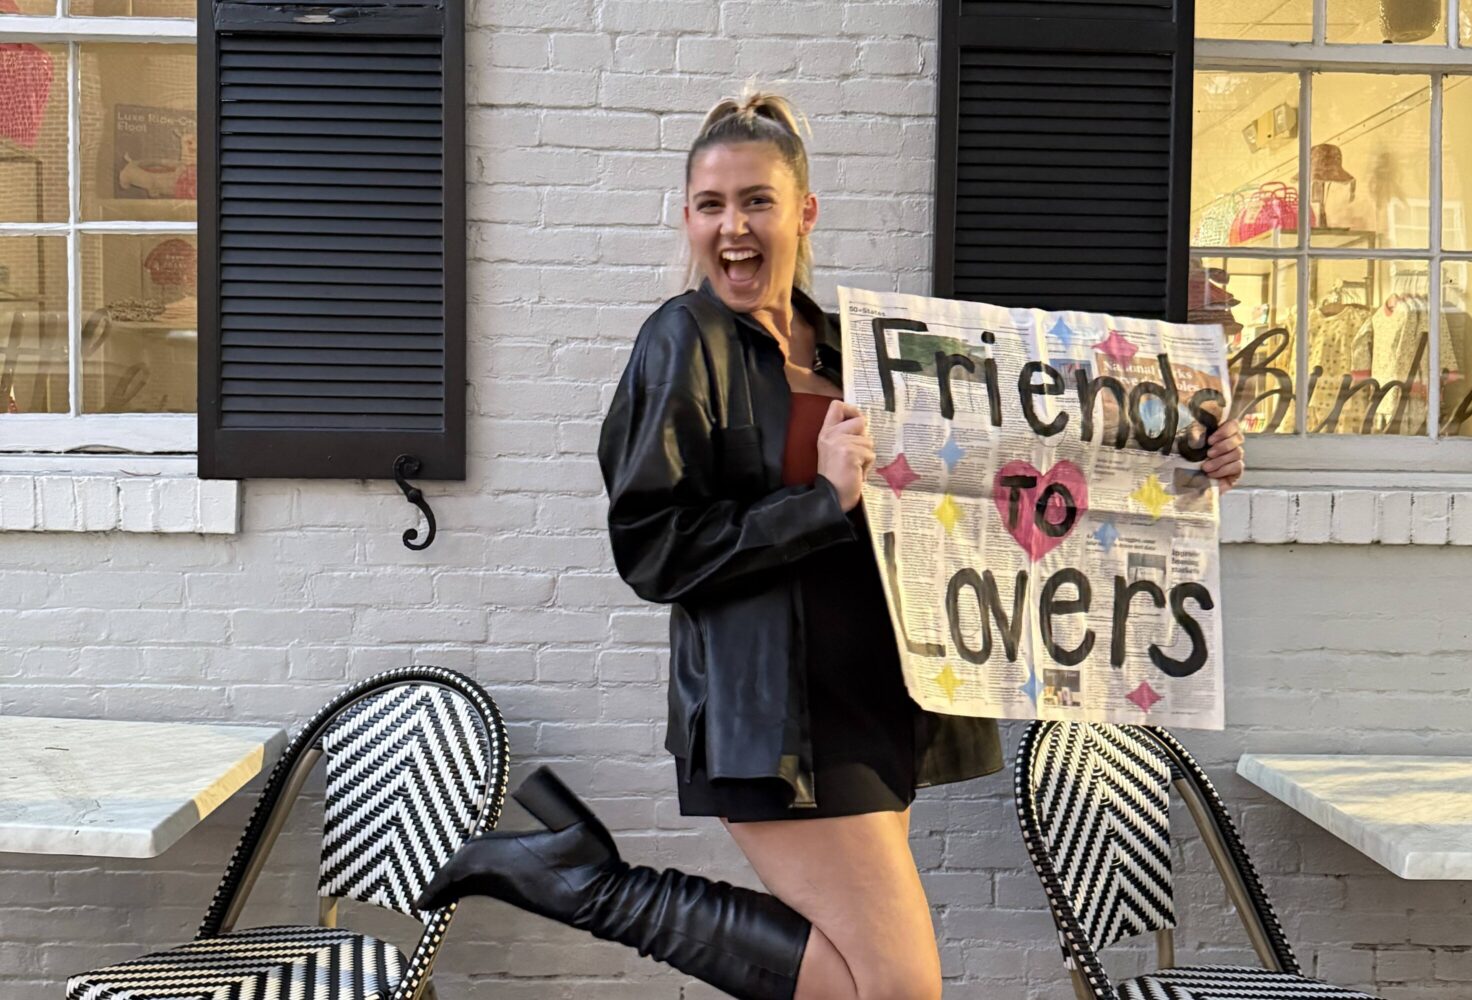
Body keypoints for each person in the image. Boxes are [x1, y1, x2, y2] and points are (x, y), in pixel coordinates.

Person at [416, 87, 1248, 1000]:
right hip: (775, 720)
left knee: (859, 989)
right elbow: (654, 548)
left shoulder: (863, 346)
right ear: (688, 217)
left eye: (756, 201)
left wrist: (1180, 456)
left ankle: (579, 873)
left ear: (803, 211)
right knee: (900, 991)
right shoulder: (683, 341)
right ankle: (588, 885)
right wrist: (817, 499)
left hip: (876, 707)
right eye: (711, 205)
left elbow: (1031, 461)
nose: (733, 228)